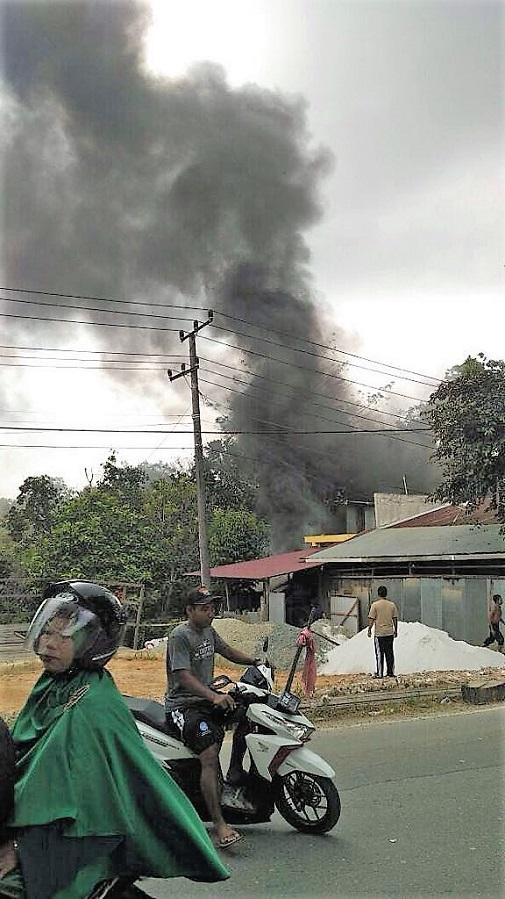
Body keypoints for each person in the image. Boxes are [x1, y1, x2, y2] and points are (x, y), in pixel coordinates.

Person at [0, 581, 229, 899]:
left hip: (72, 835)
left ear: (92, 641)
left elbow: (70, 790)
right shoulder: (52, 684)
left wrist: (17, 847)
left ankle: (218, 819)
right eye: (46, 632)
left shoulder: (92, 702)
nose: (48, 643)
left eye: (63, 635)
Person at [165, 586, 260, 849]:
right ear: (190, 610)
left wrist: (256, 661)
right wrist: (213, 697)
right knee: (208, 754)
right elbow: (183, 676)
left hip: (207, 697)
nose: (211, 613)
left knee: (248, 714)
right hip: (184, 706)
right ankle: (219, 824)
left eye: (212, 608)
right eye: (205, 608)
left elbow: (228, 651)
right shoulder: (180, 636)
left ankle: (235, 772)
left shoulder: (208, 631)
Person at [367, 585, 399, 678]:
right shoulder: (392, 605)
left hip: (379, 634)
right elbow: (395, 618)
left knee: (379, 654)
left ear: (378, 594)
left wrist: (369, 629)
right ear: (386, 593)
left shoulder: (375, 605)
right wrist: (395, 630)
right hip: (389, 632)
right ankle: (390, 672)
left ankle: (380, 673)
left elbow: (371, 619)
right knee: (390, 653)